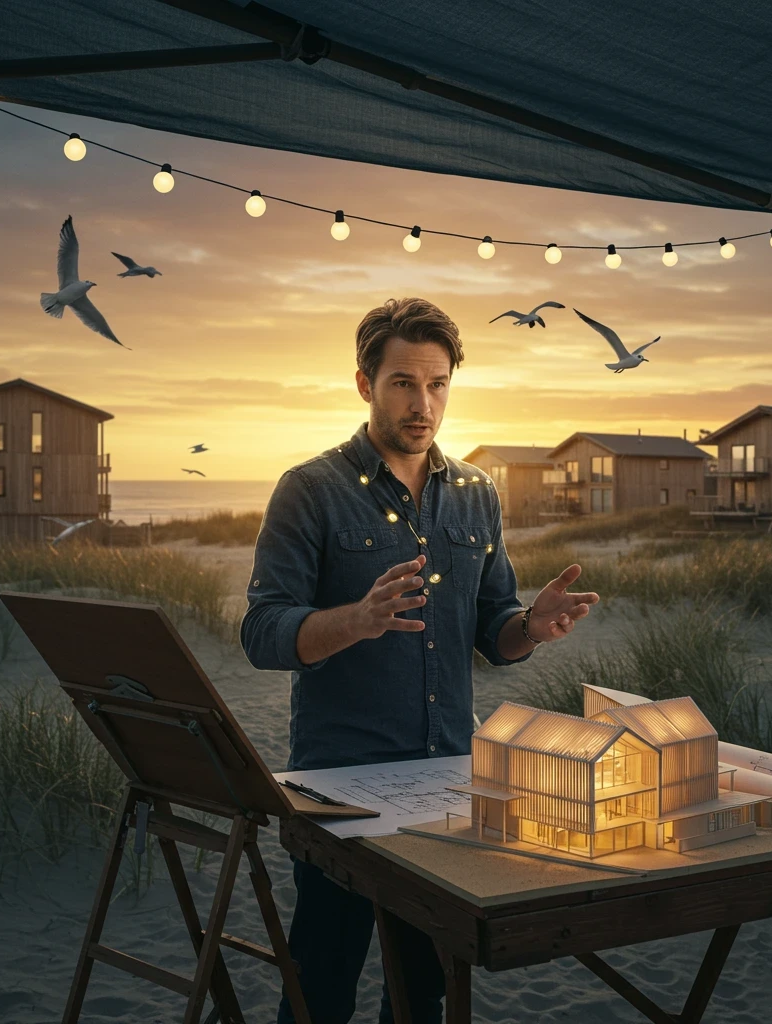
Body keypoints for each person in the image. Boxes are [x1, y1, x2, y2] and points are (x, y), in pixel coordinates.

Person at [241, 296, 600, 1024]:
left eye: (437, 384)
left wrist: (530, 627)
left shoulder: (475, 493)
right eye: (403, 382)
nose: (423, 403)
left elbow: (494, 629)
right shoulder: (310, 490)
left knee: (423, 991)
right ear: (365, 384)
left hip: (446, 783)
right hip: (339, 785)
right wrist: (356, 619)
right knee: (321, 988)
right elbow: (263, 630)